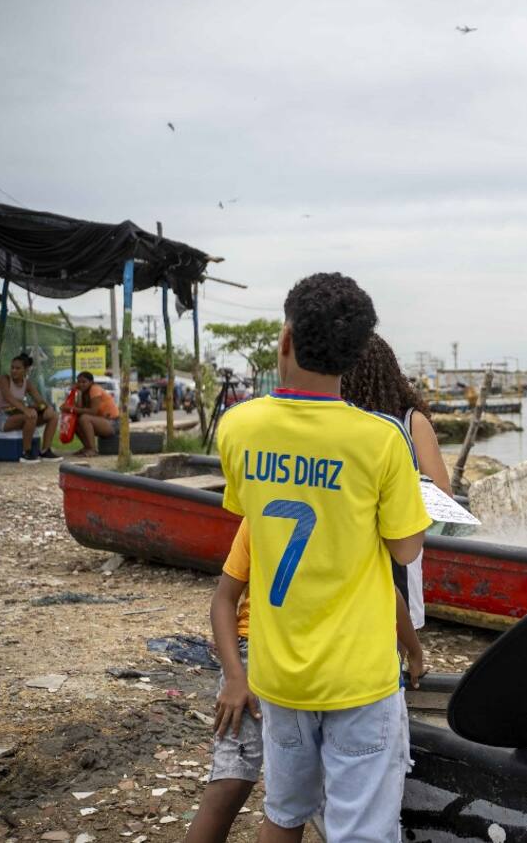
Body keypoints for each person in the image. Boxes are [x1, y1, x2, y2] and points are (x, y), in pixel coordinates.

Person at [215, 273, 431, 843]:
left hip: (278, 674)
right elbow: (406, 550)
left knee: (285, 814)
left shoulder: (238, 426)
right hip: (359, 678)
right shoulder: (383, 438)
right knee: (361, 830)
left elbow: (252, 513)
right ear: (359, 354)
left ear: (284, 338)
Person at [184, 518, 426, 843]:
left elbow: (387, 590)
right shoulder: (342, 513)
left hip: (291, 661)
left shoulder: (272, 502)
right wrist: (234, 677)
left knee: (283, 806)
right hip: (269, 653)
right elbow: (224, 599)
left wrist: (414, 651)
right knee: (238, 784)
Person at [342, 331, 452, 631]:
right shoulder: (340, 423)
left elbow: (442, 496)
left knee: (391, 630)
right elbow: (445, 496)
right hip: (362, 548)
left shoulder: (410, 422)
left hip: (393, 550)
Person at [0, 353, 61, 462]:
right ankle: (26, 453)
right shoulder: (4, 379)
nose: (14, 370)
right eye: (12, 367)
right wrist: (26, 410)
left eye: (18, 368)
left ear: (26, 370)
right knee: (31, 415)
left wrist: (47, 408)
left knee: (53, 416)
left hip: (18, 414)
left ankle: (45, 451)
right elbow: (9, 398)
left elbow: (40, 400)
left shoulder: (27, 383)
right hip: (2, 417)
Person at [62, 370, 120, 457]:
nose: (81, 384)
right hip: (101, 421)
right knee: (75, 421)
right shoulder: (84, 392)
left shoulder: (95, 389)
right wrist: (78, 393)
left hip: (113, 423)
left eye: (84, 382)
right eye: (79, 382)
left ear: (91, 382)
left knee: (84, 418)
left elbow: (93, 411)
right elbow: (80, 409)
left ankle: (93, 449)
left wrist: (71, 409)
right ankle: (87, 447)